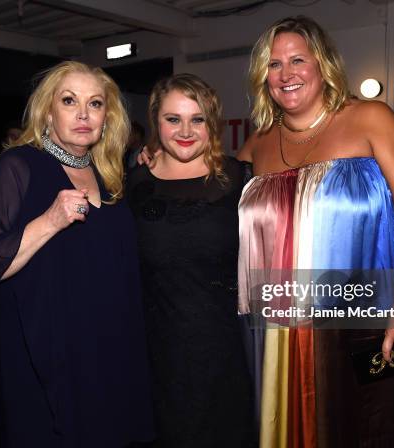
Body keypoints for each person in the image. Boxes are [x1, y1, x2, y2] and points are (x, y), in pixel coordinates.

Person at [236, 16, 394, 447]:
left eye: (297, 60)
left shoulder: (370, 118)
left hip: (365, 316)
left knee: (370, 426)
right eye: (273, 64)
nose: (285, 74)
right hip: (282, 330)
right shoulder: (260, 142)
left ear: (322, 64)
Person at [0, 61, 154, 447]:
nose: (84, 114)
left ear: (107, 117)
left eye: (95, 104)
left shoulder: (110, 176)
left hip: (105, 348)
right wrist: (50, 220)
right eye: (70, 101)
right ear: (48, 112)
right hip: (43, 353)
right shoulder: (18, 167)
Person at [127, 73, 255, 447]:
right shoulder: (133, 182)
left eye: (197, 119)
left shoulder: (239, 178)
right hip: (155, 350)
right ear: (156, 121)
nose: (186, 130)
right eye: (173, 119)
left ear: (211, 123)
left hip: (225, 348)